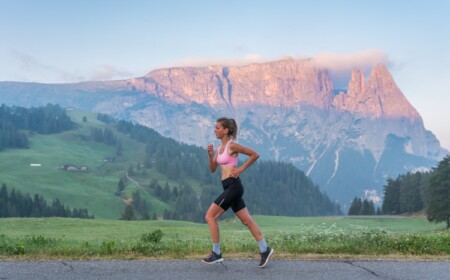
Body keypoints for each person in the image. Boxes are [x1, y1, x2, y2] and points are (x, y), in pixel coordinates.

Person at [202, 117, 274, 268]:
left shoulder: (232, 146)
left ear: (226, 130)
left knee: (210, 216)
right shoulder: (220, 148)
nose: (215, 130)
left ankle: (216, 253)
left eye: (217, 128)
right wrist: (210, 155)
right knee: (246, 220)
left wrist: (241, 169)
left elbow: (255, 154)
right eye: (215, 128)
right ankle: (264, 249)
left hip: (234, 186)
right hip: (227, 187)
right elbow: (213, 169)